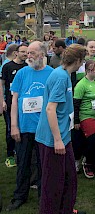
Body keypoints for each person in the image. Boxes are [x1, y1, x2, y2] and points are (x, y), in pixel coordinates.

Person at [35, 44, 87, 214]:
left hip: (64, 136)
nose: (83, 63)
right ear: (77, 60)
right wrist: (57, 140)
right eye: (83, 60)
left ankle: (66, 209)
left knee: (69, 178)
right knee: (53, 184)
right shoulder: (60, 77)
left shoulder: (64, 74)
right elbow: (50, 109)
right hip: (53, 139)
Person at [7, 41, 53, 211]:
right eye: (27, 53)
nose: (28, 56)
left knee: (43, 165)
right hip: (24, 128)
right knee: (23, 164)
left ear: (42, 54)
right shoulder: (22, 73)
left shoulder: (51, 74)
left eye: (32, 53)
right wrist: (14, 125)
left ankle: (44, 197)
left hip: (43, 128)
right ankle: (20, 196)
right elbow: (14, 101)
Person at [73, 60, 95, 179]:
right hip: (86, 115)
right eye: (94, 69)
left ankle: (93, 162)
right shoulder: (81, 85)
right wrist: (76, 120)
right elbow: (76, 103)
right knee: (93, 138)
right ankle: (87, 163)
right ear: (87, 70)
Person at [1, 44, 28, 168]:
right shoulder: (7, 66)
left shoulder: (27, 67)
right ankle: (10, 155)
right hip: (10, 103)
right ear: (16, 53)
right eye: (22, 52)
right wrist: (2, 101)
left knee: (22, 129)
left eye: (27, 52)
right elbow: (1, 84)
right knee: (10, 129)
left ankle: (20, 152)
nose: (25, 54)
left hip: (23, 104)